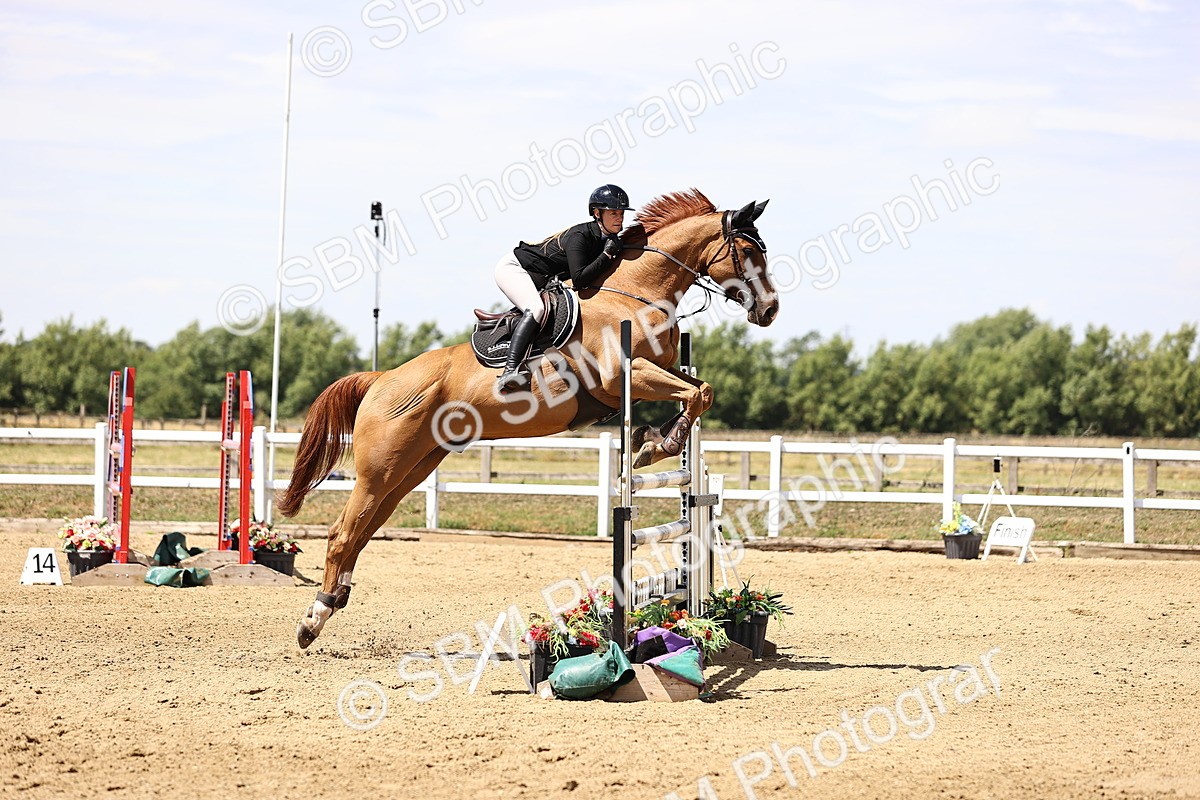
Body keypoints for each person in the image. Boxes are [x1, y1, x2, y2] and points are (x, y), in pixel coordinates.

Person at [492, 184, 632, 392]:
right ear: (597, 213)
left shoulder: (609, 240)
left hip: (540, 277)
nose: (619, 218)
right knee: (536, 309)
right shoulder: (580, 236)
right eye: (613, 213)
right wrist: (607, 255)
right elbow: (580, 279)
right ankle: (509, 371)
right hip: (514, 268)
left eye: (621, 213)